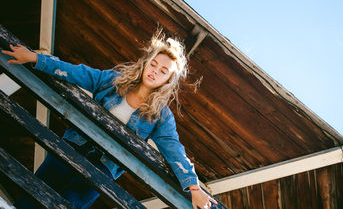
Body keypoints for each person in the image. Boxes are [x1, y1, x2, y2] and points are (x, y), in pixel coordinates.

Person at [2, 31, 217, 209]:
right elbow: (79, 73)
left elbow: (174, 151)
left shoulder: (160, 116)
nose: (155, 72)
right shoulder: (115, 80)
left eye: (163, 71)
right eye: (154, 64)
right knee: (30, 196)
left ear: (168, 80)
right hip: (72, 145)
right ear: (147, 62)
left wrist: (194, 189)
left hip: (102, 170)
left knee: (66, 206)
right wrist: (36, 59)